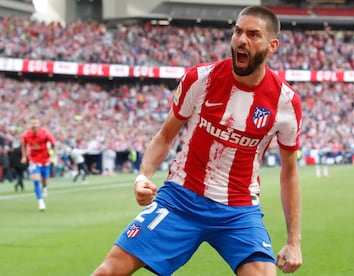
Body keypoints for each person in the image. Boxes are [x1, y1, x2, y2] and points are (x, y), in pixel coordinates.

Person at [93, 5, 302, 275]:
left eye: (253, 34)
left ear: (272, 45)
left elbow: (290, 172)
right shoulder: (200, 79)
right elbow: (165, 135)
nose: (241, 40)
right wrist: (143, 176)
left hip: (238, 211)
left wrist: (294, 242)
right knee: (108, 271)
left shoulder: (286, 102)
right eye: (238, 31)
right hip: (180, 199)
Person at [21, 117, 56, 211]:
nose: (34, 126)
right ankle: (40, 202)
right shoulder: (26, 135)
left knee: (45, 178)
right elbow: (23, 146)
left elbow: (53, 144)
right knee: (36, 180)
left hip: (45, 159)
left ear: (39, 125)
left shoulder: (45, 133)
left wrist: (52, 156)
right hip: (33, 160)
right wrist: (24, 156)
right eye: (33, 124)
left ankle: (45, 187)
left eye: (36, 124)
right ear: (30, 125)